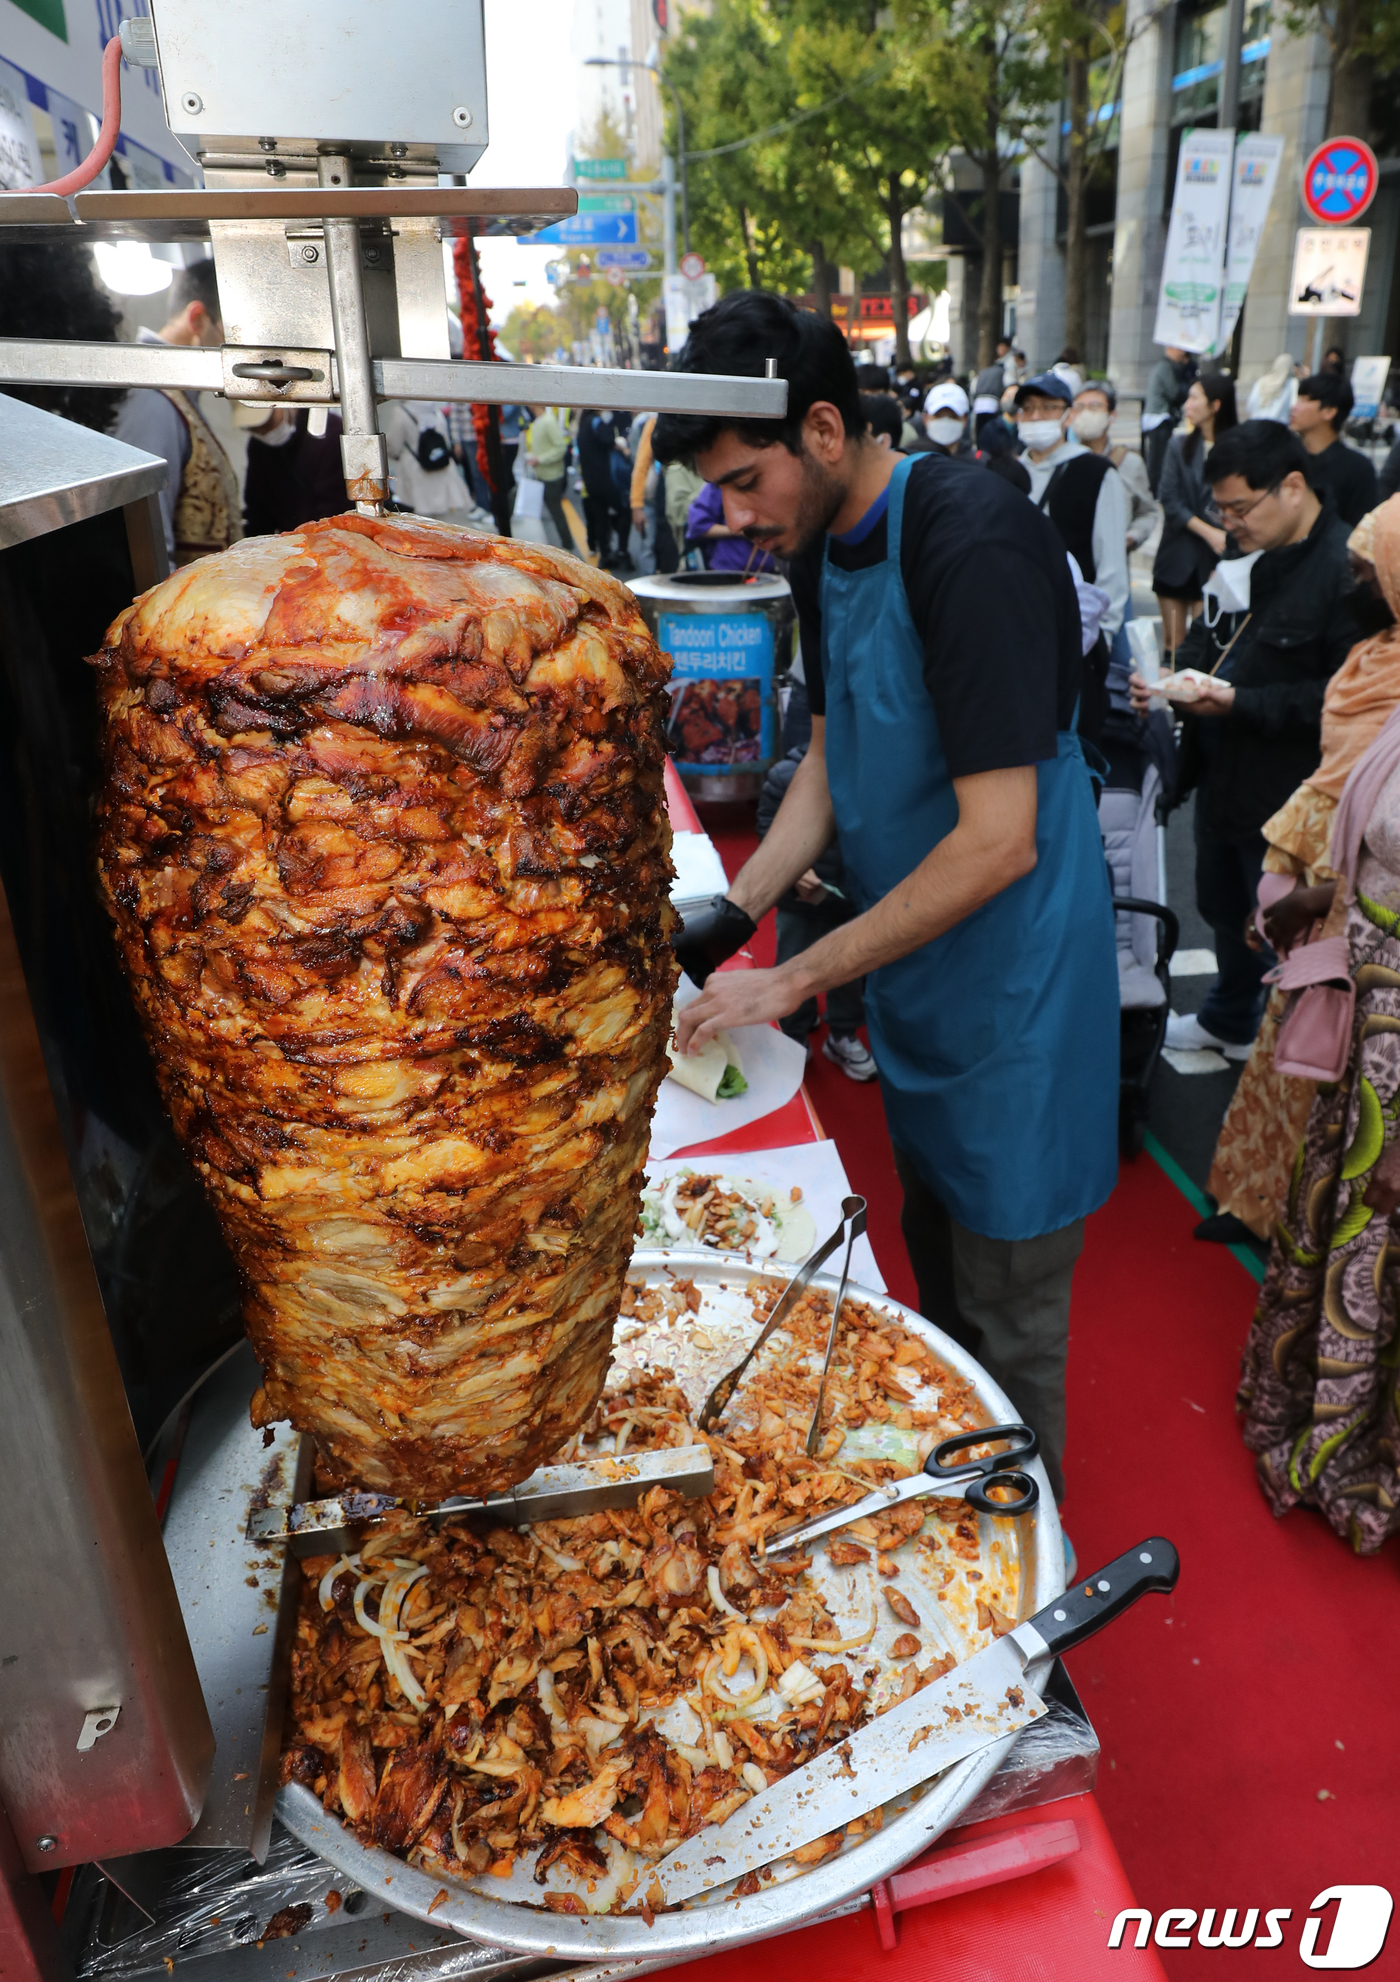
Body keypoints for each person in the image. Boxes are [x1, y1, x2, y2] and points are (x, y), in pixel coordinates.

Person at [652, 291, 1117, 1508]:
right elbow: (832, 748)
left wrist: (795, 972)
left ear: (819, 428)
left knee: (1009, 1308)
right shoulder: (817, 549)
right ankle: (958, 1493)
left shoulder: (968, 539)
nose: (736, 517)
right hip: (916, 968)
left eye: (747, 483)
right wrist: (727, 910)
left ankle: (1028, 1579)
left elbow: (997, 842)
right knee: (933, 1267)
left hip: (1012, 979)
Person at [1203, 499, 1400, 1244]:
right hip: (1323, 869)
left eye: (1365, 571)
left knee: (1337, 1075)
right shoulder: (1371, 653)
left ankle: (1296, 1225)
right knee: (1288, 1049)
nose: (1353, 584)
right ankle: (1251, 1203)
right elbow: (1331, 771)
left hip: (1369, 904)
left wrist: (1323, 894)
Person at [1129, 421, 1358, 1061]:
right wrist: (1178, 680)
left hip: (1289, 795)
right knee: (1223, 905)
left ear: (1291, 486)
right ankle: (1230, 1019)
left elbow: (1341, 699)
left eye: (1239, 507)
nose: (1229, 523)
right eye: (1221, 509)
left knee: (1284, 927)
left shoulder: (1348, 571)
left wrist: (1237, 702)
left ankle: (1290, 1044)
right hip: (1222, 774)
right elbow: (1213, 639)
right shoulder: (1249, 562)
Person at [1238, 659, 1400, 1554]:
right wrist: (1326, 896)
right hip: (1373, 1043)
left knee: (1377, 1251)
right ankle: (1313, 1417)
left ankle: (1360, 1461)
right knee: (1342, 1235)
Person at [758, 720, 877, 1084]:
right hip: (800, 904)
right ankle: (794, 1034)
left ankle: (842, 1033)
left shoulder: (872, 777)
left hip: (850, 901)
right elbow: (768, 831)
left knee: (849, 972)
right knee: (793, 962)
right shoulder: (785, 776)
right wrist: (792, 872)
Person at [1014, 373, 1130, 735]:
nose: (1036, 418)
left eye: (1048, 408)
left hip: (1075, 642)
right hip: (1013, 638)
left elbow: (1111, 566)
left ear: (1067, 415)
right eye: (1028, 409)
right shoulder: (1006, 472)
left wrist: (1100, 641)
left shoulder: (1095, 473)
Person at [114, 259, 241, 566]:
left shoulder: (180, 398)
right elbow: (147, 546)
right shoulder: (152, 399)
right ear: (197, 318)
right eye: (231, 335)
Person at [1152, 371, 1238, 660]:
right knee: (1173, 647)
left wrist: (1222, 531)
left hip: (1214, 563)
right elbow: (1170, 500)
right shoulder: (1179, 445)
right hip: (1177, 554)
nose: (1187, 404)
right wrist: (1209, 531)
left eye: (1194, 397)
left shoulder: (1237, 450)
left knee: (1203, 649)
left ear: (1216, 405)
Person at [1070, 380, 1161, 556]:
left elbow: (1148, 512)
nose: (1086, 413)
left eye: (1095, 406)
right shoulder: (1062, 460)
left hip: (1112, 560)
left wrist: (1132, 537)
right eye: (1079, 407)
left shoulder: (1129, 463)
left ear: (1112, 415)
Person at [1289, 372, 1378, 528]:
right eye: (1298, 398)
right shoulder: (1284, 456)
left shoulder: (1357, 469)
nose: (1295, 407)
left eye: (1305, 400)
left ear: (1329, 411)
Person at [242, 408, 348, 536]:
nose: (263, 432)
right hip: (290, 543)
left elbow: (334, 510)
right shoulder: (258, 446)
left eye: (267, 423)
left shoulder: (331, 433)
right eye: (254, 428)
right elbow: (257, 513)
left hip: (331, 536)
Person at [381, 400, 478, 519]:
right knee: (446, 521)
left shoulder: (401, 412)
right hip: (442, 469)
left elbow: (394, 446)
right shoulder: (434, 409)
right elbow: (445, 439)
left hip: (415, 473)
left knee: (420, 522)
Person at [576, 409, 632, 570]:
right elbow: (609, 439)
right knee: (625, 511)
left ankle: (605, 554)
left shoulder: (583, 425)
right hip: (606, 479)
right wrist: (620, 444)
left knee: (600, 517)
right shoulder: (597, 422)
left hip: (590, 481)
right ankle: (622, 552)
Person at [685, 482, 778, 573]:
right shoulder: (722, 482)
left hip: (769, 569)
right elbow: (697, 526)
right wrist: (742, 531)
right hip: (728, 570)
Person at [1141, 344, 1195, 495]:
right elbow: (1174, 392)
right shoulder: (1165, 367)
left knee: (1156, 457)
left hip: (1155, 416)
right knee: (1158, 459)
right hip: (1159, 417)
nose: (1181, 353)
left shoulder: (1163, 366)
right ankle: (1155, 490)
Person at [525, 403, 572, 550]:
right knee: (553, 511)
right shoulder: (539, 422)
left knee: (556, 511)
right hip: (541, 474)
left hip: (551, 476)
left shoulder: (548, 422)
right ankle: (566, 544)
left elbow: (560, 448)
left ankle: (568, 544)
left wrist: (540, 459)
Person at [921, 380, 973, 458]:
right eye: (938, 416)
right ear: (925, 418)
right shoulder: (913, 458)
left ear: (965, 420)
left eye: (953, 417)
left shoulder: (979, 462)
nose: (945, 422)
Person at [972, 339, 1011, 441]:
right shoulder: (1002, 372)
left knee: (980, 427)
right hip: (992, 401)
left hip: (979, 402)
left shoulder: (984, 372)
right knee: (991, 427)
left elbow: (974, 387)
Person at [1246, 351, 1298, 426]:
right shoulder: (1292, 383)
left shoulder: (1261, 381)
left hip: (1256, 425)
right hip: (1279, 427)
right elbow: (1293, 405)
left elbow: (1250, 404)